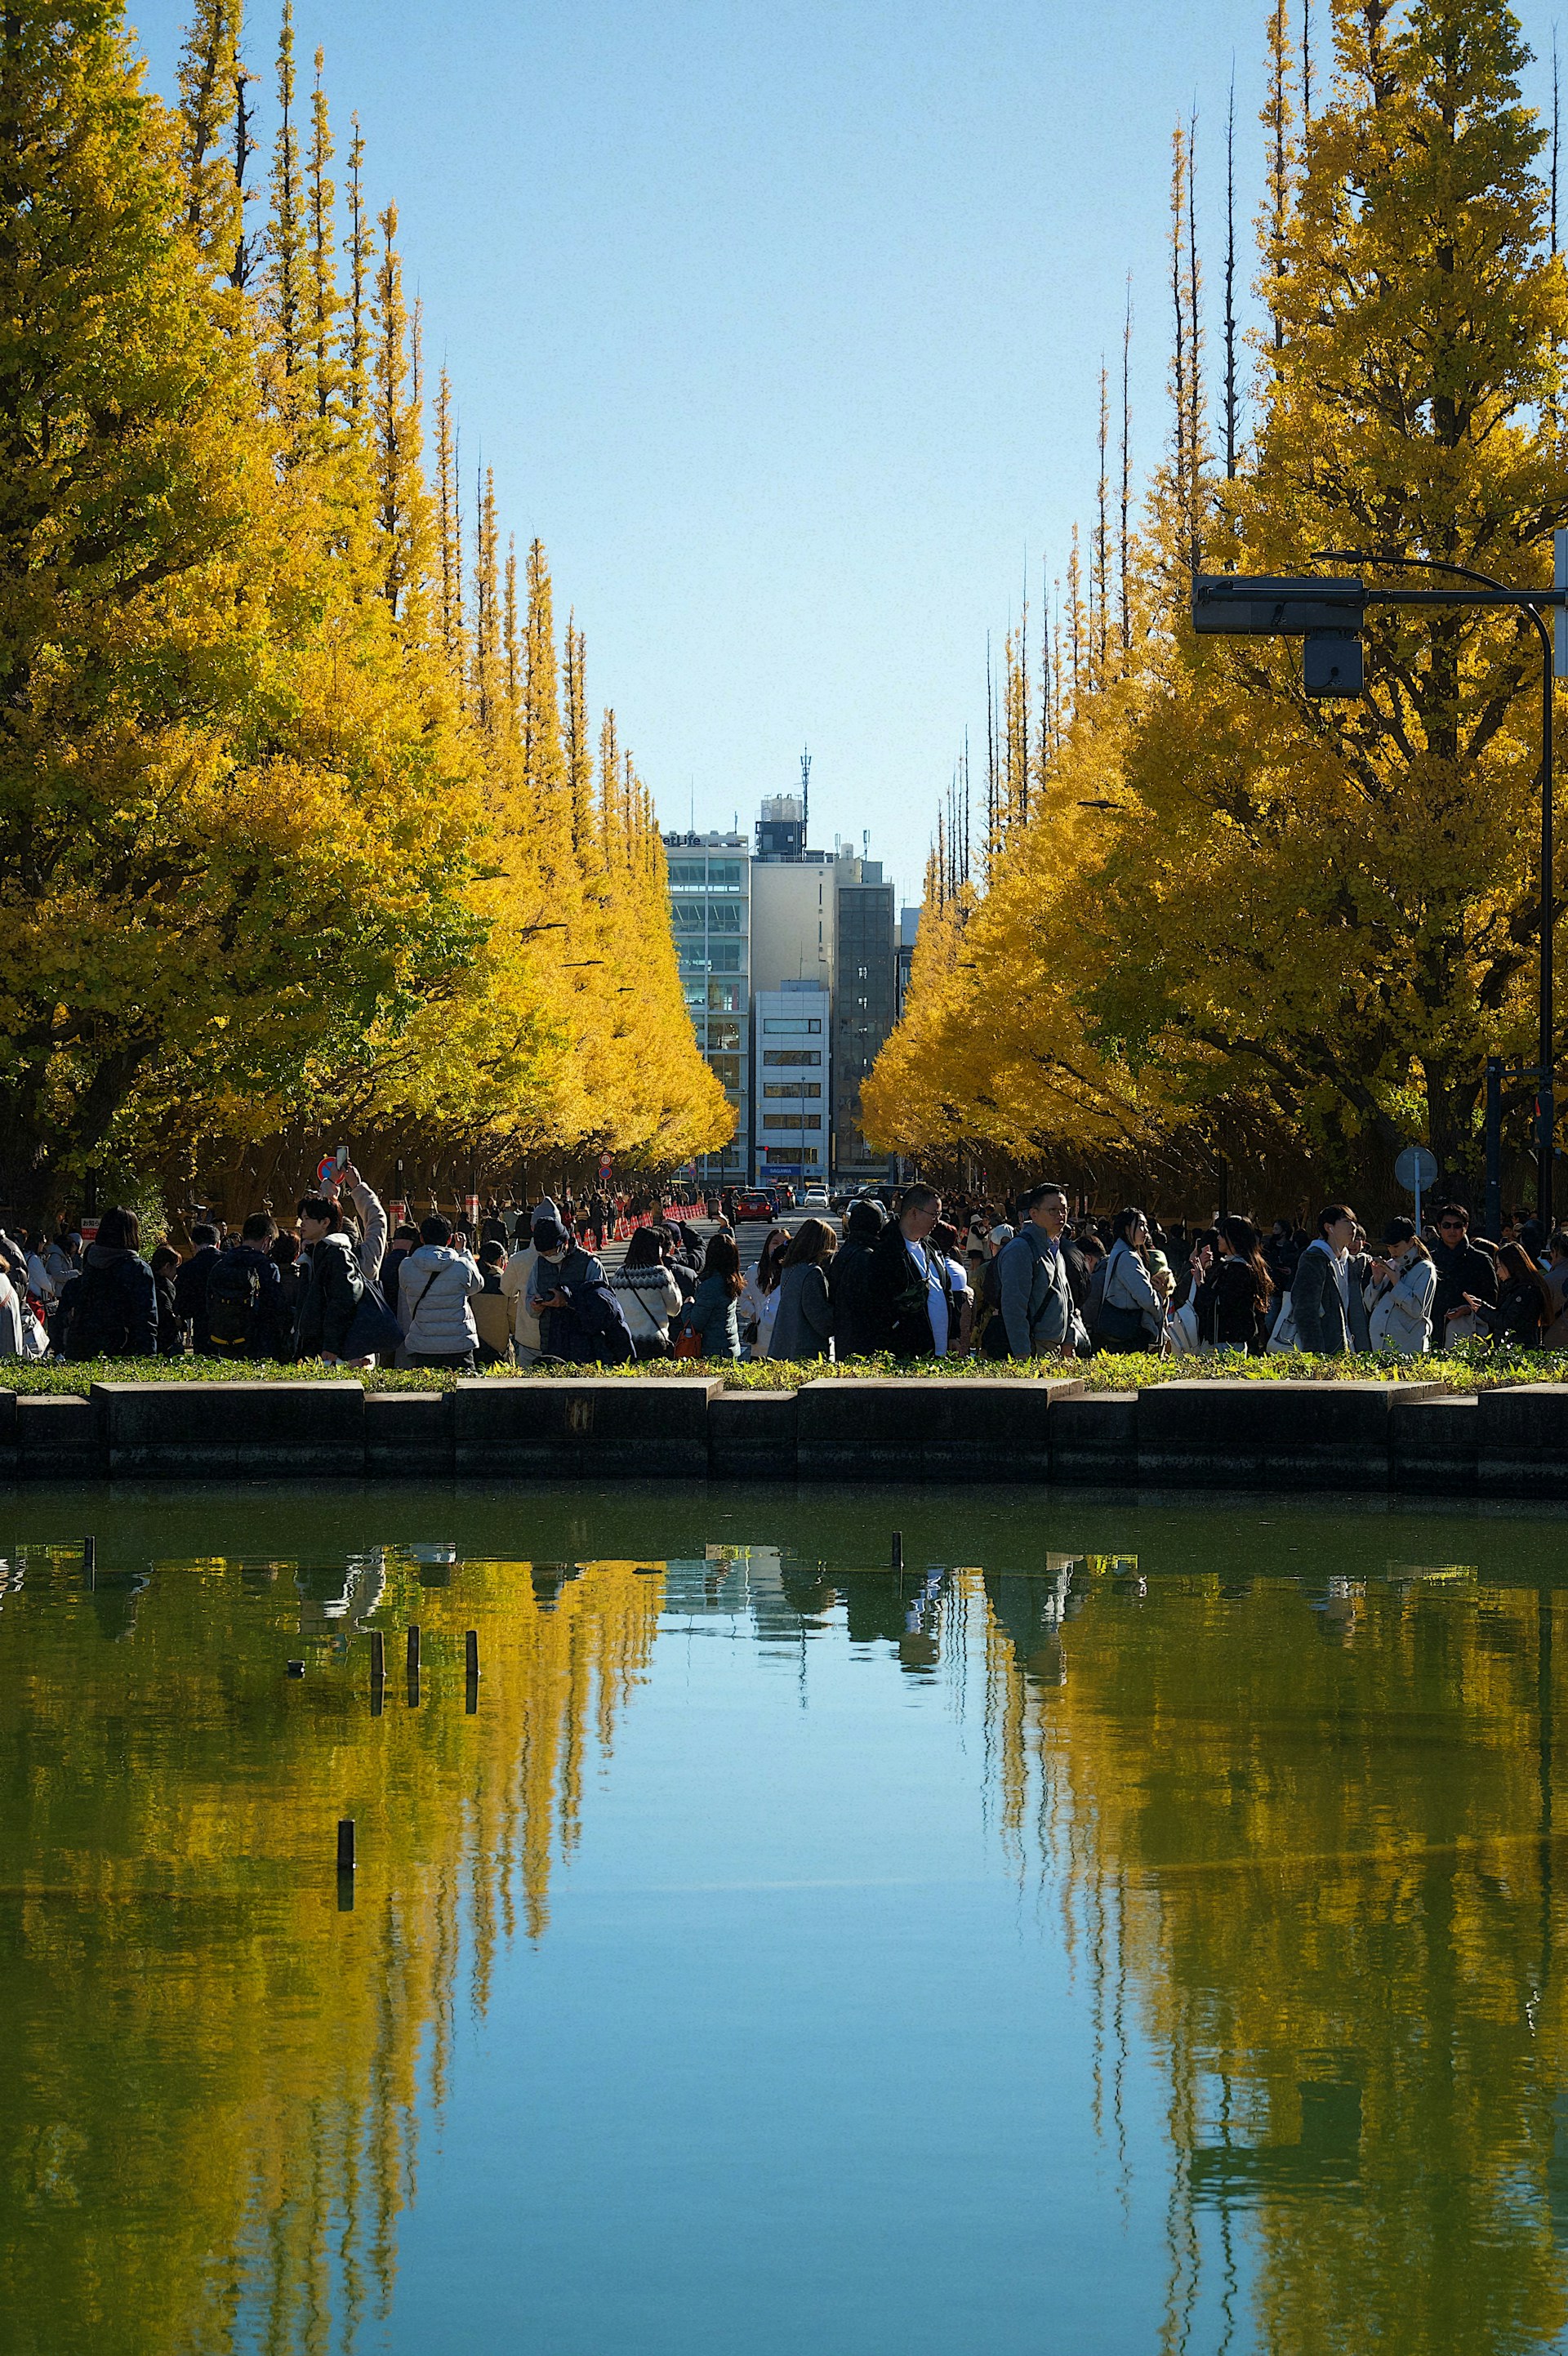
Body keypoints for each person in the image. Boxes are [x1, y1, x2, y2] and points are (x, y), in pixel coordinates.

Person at [57, 1205, 158, 1359]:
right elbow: (147, 1319)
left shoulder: (91, 1264)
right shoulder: (138, 1269)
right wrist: (148, 1357)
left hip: (83, 1349)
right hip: (123, 1351)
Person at [870, 1184, 956, 1357]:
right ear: (913, 1212)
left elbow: (946, 1289)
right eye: (934, 1214)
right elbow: (880, 1305)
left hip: (941, 1354)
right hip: (908, 1355)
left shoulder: (931, 1245)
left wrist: (954, 1334)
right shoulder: (887, 1251)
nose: (938, 1221)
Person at [398, 1213, 483, 1369]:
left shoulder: (406, 1266)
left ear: (421, 1238)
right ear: (449, 1239)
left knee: (427, 1391)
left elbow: (405, 1287)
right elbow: (477, 1286)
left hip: (422, 1343)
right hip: (459, 1343)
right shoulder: (461, 1265)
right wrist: (463, 1251)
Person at [294, 1193, 367, 1363]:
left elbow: (344, 1301)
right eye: (301, 1218)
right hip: (313, 1345)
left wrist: (332, 1346)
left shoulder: (337, 1255)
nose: (301, 1224)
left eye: (307, 1218)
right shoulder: (313, 1254)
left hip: (328, 1350)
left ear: (325, 1223)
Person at [207, 1212, 287, 1359]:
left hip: (223, 1340)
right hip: (259, 1343)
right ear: (267, 1240)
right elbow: (275, 1308)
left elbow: (209, 1303)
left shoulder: (220, 1265)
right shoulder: (267, 1267)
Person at [1190, 1214, 1274, 1352]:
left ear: (1233, 1239)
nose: (1218, 1238)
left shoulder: (1238, 1269)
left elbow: (1222, 1303)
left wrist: (1200, 1282)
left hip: (1227, 1342)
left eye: (1222, 1235)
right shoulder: (1235, 1265)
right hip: (1227, 1339)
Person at [1290, 1204, 1359, 1355]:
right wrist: (1314, 1351)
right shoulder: (1314, 1258)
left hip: (1349, 1344)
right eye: (1347, 1222)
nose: (1353, 1227)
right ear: (1329, 1227)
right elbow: (1305, 1308)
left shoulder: (1350, 1261)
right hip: (1326, 1344)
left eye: (1354, 1222)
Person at [1094, 1207, 1164, 1353]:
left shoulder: (1120, 1251)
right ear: (1127, 1229)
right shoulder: (1127, 1256)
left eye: (1146, 1225)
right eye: (1140, 1225)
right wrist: (1159, 1311)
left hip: (1119, 1328)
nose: (1146, 1230)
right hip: (1129, 1331)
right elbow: (1146, 1299)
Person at [1365, 1217, 1437, 1356]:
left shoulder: (1425, 1268)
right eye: (1389, 1246)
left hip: (1408, 1348)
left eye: (1396, 1246)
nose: (1392, 1251)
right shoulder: (1391, 1264)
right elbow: (1369, 1305)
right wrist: (1377, 1281)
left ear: (1410, 1241)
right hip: (1379, 1346)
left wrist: (1396, 1283)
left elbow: (1417, 1310)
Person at [609, 1224, 684, 1358]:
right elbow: (674, 1309)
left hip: (626, 1342)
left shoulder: (619, 1274)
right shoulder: (659, 1274)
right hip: (654, 1343)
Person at [768, 1219, 837, 1361]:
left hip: (783, 1348)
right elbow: (821, 1322)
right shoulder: (812, 1274)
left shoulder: (790, 1268)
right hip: (805, 1353)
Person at [1431, 1204, 1498, 1344]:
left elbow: (1492, 1299)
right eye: (1447, 1225)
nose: (1452, 1230)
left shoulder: (1481, 1260)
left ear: (1465, 1227)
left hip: (1470, 1329)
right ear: (1439, 1227)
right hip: (1434, 1329)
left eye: (1457, 1225)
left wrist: (1469, 1308)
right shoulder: (1429, 1260)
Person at [1481, 1241, 1551, 1349]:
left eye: (1499, 1267)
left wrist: (1481, 1309)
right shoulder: (1513, 1289)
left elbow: (1508, 1322)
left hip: (1519, 1350)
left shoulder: (1526, 1292)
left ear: (1511, 1265)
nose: (1498, 1272)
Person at [684, 1232, 744, 1358]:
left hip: (713, 1350)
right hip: (730, 1347)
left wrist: (687, 1306)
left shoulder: (711, 1286)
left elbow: (696, 1323)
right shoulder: (732, 1280)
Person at [173, 1221, 222, 1355]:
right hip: (230, 1324)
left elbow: (182, 1305)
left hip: (202, 1326)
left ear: (194, 1244)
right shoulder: (229, 1263)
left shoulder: (186, 1269)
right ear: (218, 1243)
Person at [741, 1226, 790, 1356]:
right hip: (761, 1343)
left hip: (786, 1340)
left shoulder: (792, 1273)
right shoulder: (754, 1272)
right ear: (767, 1246)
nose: (778, 1247)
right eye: (775, 1243)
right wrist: (753, 1313)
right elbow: (743, 1298)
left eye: (783, 1243)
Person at [471, 1240, 514, 1365]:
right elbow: (513, 1319)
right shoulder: (506, 1283)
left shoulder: (472, 1282)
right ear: (501, 1260)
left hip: (473, 1345)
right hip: (498, 1348)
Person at [149, 1244, 184, 1356]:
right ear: (167, 1266)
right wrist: (177, 1322)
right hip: (166, 1347)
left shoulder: (147, 1283)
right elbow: (168, 1326)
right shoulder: (163, 1293)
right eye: (175, 1267)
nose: (176, 1273)